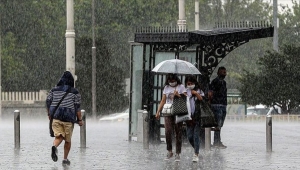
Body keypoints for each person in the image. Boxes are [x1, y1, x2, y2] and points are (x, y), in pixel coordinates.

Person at [46, 71, 84, 166]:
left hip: (56, 117)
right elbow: (77, 108)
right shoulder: (75, 92)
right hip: (68, 119)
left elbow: (48, 101)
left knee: (59, 136)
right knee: (67, 140)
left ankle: (54, 146)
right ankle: (65, 159)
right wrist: (79, 120)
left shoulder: (54, 90)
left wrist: (49, 113)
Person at [155, 73, 186, 162]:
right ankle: (169, 150)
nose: (172, 83)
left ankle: (178, 153)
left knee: (178, 132)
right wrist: (158, 111)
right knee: (168, 130)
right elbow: (163, 100)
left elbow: (185, 98)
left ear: (176, 80)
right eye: (170, 81)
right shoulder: (166, 88)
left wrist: (178, 95)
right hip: (168, 111)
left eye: (173, 81)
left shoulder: (181, 87)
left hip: (178, 110)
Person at [184, 75, 204, 162]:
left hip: (197, 116)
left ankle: (196, 153)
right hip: (188, 117)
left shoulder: (199, 90)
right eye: (188, 83)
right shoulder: (185, 91)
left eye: (191, 83)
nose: (190, 85)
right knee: (189, 136)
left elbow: (202, 99)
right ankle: (196, 148)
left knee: (196, 135)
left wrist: (195, 93)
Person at [208, 66, 227, 149]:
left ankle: (217, 140)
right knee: (217, 124)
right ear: (218, 73)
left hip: (223, 104)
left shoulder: (224, 82)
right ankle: (216, 141)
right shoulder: (215, 82)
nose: (224, 74)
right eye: (223, 72)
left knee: (220, 124)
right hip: (216, 105)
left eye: (225, 72)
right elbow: (210, 93)